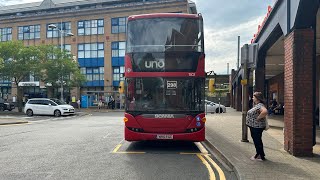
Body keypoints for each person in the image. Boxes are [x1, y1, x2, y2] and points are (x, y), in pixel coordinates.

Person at [246, 92, 268, 161]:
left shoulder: (260, 105)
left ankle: (260, 156)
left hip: (256, 127)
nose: (252, 98)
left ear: (257, 98)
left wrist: (258, 118)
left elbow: (265, 111)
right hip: (254, 127)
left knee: (257, 141)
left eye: (254, 97)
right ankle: (260, 154)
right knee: (257, 141)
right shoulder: (257, 105)